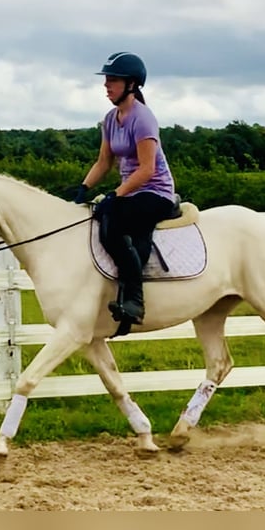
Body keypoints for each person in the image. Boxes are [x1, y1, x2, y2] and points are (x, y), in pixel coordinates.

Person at [74, 51, 177, 326]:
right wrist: (83, 188)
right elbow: (103, 162)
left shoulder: (143, 119)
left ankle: (134, 300)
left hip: (156, 192)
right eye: (106, 80)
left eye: (113, 81)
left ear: (131, 84)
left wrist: (114, 195)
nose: (106, 86)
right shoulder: (110, 119)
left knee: (112, 225)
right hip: (132, 192)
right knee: (100, 218)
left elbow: (147, 170)